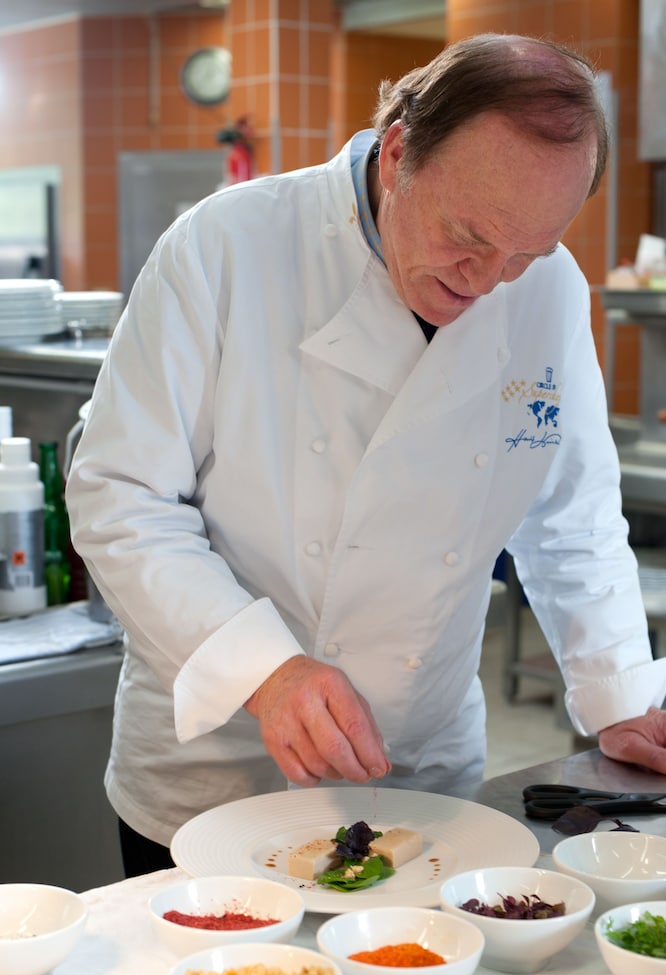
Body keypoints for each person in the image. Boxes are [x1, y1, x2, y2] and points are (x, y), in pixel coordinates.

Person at [66, 33, 666, 877]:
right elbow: (119, 497)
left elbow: (573, 521)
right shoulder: (228, 246)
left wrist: (618, 697)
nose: (488, 279)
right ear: (397, 152)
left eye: (523, 254)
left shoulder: (551, 289)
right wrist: (266, 671)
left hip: (419, 768)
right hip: (221, 771)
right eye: (467, 235)